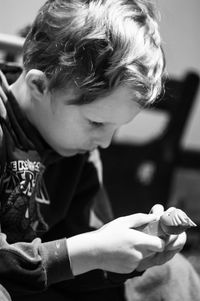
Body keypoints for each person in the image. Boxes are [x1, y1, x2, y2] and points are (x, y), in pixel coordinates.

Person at [0, 0, 199, 300]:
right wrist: (88, 251)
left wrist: (133, 253)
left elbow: (81, 260)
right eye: (96, 123)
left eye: (115, 128)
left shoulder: (78, 149)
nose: (105, 142)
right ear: (40, 86)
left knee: (171, 275)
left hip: (42, 286)